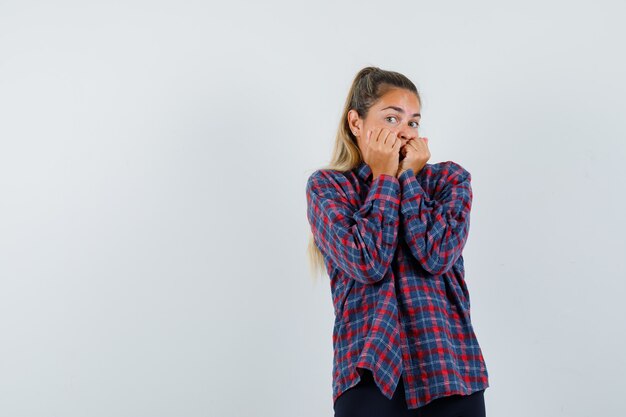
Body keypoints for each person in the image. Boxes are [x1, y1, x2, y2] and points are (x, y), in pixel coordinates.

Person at [305, 66, 489, 417]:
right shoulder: (329, 188)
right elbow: (368, 262)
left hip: (449, 369)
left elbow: (436, 256)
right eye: (392, 118)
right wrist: (383, 177)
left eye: (414, 122)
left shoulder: (449, 180)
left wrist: (407, 177)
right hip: (370, 374)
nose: (405, 132)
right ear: (356, 123)